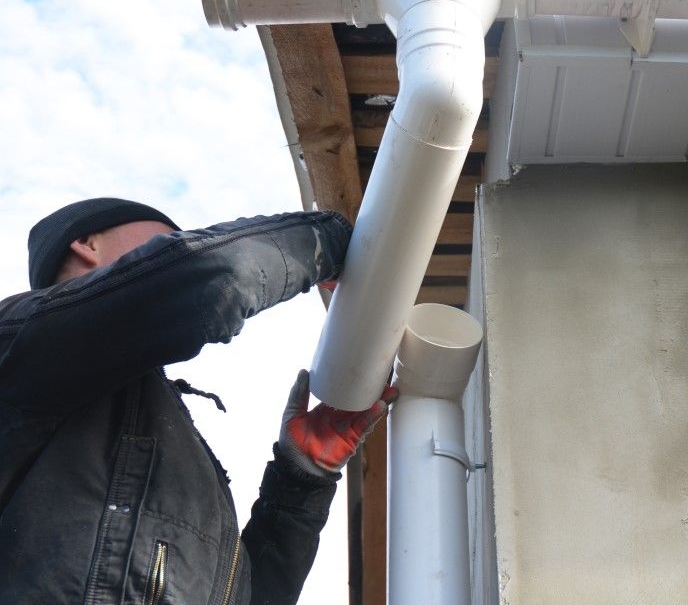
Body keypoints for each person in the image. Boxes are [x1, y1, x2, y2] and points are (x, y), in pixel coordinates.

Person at [0, 198, 396, 604]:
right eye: (167, 240)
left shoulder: (155, 432)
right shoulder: (17, 339)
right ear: (86, 243)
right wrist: (327, 238)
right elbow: (201, 277)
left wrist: (300, 479)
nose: (177, 246)